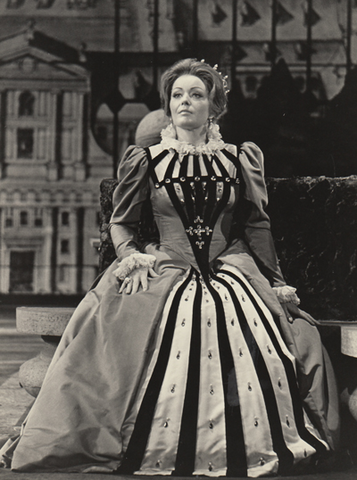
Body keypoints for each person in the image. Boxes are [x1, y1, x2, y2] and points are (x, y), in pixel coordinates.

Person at [1, 58, 339, 476]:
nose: (185, 102)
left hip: (228, 265)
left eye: (196, 94)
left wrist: (277, 283)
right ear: (168, 104)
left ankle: (244, 441)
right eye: (178, 95)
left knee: (276, 329)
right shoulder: (148, 159)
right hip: (165, 264)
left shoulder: (238, 160)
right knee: (114, 333)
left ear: (213, 106)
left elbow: (255, 226)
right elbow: (121, 223)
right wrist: (131, 256)